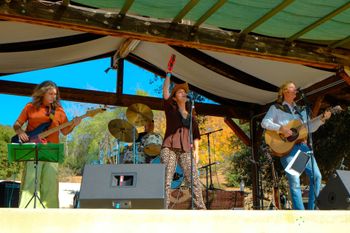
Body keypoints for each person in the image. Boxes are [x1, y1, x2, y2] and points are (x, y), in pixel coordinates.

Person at [261, 81, 331, 210]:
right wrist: (281, 129)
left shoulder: (301, 111)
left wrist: (322, 119)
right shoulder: (276, 108)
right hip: (287, 148)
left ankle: (312, 211)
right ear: (285, 92)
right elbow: (264, 123)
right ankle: (300, 213)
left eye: (295, 90)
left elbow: (308, 128)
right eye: (292, 89)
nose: (296, 91)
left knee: (316, 176)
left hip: (302, 147)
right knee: (294, 180)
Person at [13, 80, 81, 208]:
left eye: (55, 94)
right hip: (32, 148)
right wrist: (20, 131)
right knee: (30, 183)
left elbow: (65, 131)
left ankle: (50, 213)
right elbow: (17, 124)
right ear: (42, 93)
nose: (53, 96)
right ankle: (26, 212)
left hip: (51, 150)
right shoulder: (30, 107)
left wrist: (74, 124)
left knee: (50, 184)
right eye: (50, 93)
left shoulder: (59, 111)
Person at [161, 73, 206, 210]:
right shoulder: (171, 108)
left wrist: (197, 151)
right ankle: (164, 209)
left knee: (193, 180)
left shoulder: (191, 113)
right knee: (166, 180)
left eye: (184, 92)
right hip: (169, 147)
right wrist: (168, 74)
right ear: (174, 97)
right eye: (179, 92)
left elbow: (196, 134)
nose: (183, 93)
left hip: (186, 148)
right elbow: (165, 93)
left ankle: (201, 209)